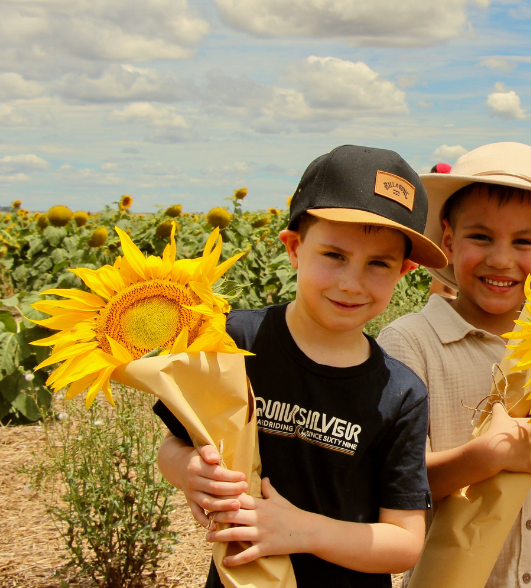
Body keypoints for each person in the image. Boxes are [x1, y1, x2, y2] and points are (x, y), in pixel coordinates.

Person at [154, 145, 449, 588]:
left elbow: (404, 542)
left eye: (378, 264)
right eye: (334, 256)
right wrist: (191, 473)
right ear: (294, 248)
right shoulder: (235, 341)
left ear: (404, 271)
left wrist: (301, 531)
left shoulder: (399, 392)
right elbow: (172, 445)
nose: (352, 282)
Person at [377, 142, 531, 588]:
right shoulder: (412, 343)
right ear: (448, 242)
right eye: (481, 237)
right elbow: (400, 486)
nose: (501, 259)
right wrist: (483, 457)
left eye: (523, 241)